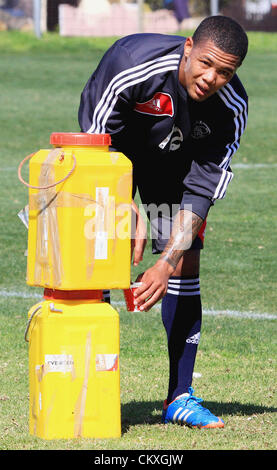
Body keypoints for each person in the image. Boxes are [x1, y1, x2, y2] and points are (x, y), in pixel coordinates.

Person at [78, 15, 248, 429]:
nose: (212, 78)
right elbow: (94, 141)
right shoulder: (131, 61)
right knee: (97, 247)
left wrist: (167, 260)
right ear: (188, 47)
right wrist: (122, 204)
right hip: (109, 154)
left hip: (173, 166)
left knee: (186, 261)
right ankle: (88, 388)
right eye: (206, 63)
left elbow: (200, 193)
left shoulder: (230, 109)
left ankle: (180, 397)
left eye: (225, 72)